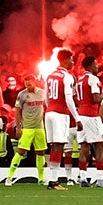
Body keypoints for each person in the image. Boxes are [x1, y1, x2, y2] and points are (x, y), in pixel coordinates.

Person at [42, 50, 77, 189]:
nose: (73, 63)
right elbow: (69, 98)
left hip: (49, 112)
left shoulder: (50, 76)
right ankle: (54, 180)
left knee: (53, 146)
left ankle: (51, 179)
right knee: (59, 145)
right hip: (60, 113)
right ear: (66, 60)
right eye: (72, 60)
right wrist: (77, 117)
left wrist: (50, 108)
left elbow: (46, 97)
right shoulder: (66, 76)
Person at [5, 76, 48, 184]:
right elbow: (17, 111)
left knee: (41, 152)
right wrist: (19, 127)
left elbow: (46, 108)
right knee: (21, 151)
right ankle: (9, 177)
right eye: (26, 85)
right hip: (27, 127)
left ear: (35, 82)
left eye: (29, 84)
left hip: (39, 127)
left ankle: (41, 178)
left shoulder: (43, 93)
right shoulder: (22, 94)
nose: (27, 87)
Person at [75, 60, 103, 182]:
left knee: (84, 146)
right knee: (100, 145)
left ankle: (82, 177)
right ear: (91, 66)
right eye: (96, 64)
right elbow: (96, 98)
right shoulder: (93, 79)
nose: (97, 66)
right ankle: (100, 179)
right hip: (91, 116)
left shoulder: (79, 80)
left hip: (81, 114)